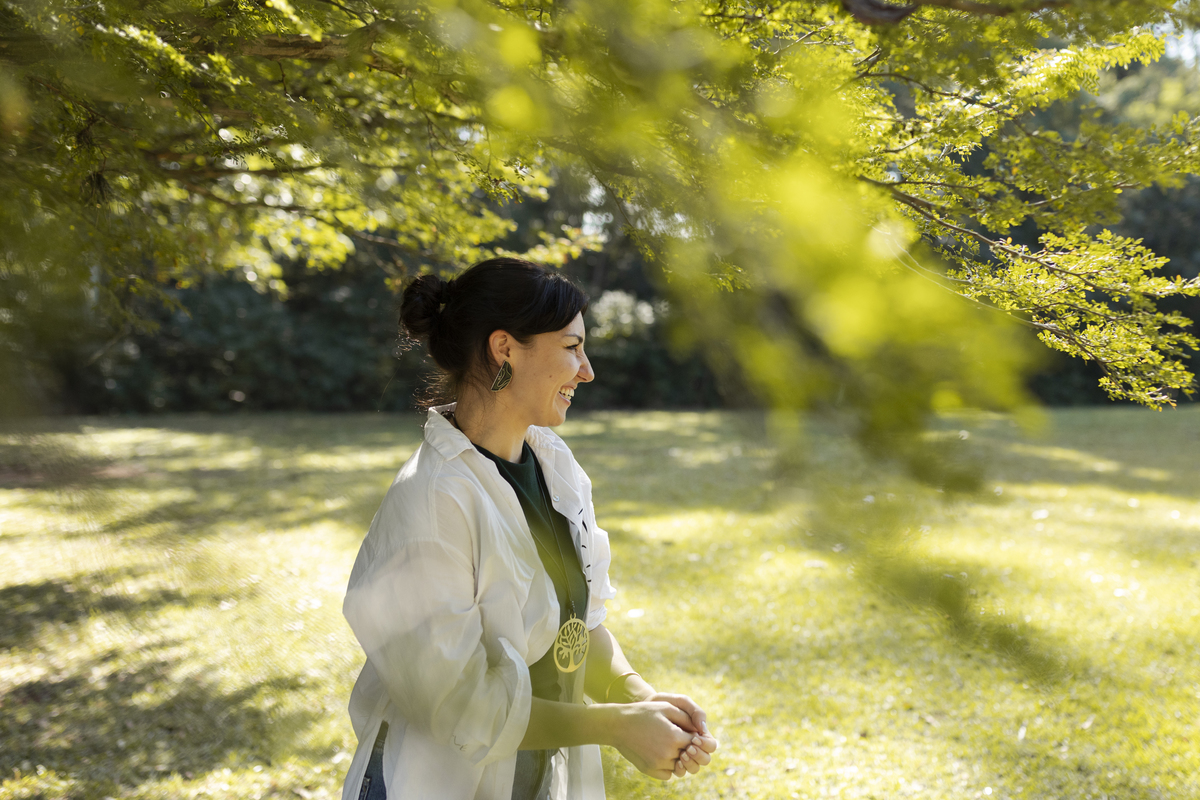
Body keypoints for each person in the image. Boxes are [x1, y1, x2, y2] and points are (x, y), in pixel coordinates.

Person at [339, 258, 719, 800]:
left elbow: (577, 628)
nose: (587, 371)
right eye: (572, 347)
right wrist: (615, 726)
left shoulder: (554, 465)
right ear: (505, 349)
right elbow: (462, 707)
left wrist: (638, 698)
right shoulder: (432, 501)